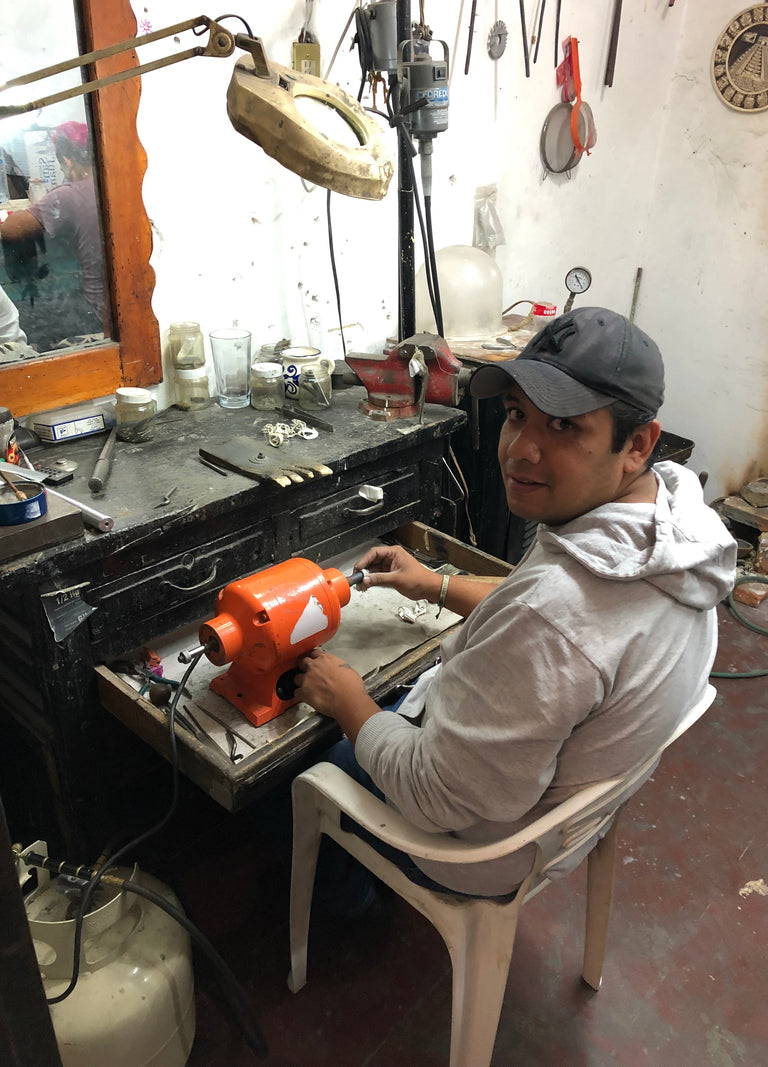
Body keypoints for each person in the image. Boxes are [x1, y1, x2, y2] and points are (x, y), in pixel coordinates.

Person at [292, 306, 737, 910]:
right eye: (516, 415)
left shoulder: (554, 616)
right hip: (562, 808)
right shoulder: (676, 528)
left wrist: (347, 697)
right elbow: (546, 619)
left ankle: (355, 898)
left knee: (297, 769)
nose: (520, 450)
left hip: (475, 847)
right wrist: (436, 586)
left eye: (563, 427)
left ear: (636, 444)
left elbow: (435, 796)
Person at [0, 120, 104, 338]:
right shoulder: (110, 185)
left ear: (67, 160)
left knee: (26, 315)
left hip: (95, 313)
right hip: (113, 308)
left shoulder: (69, 194)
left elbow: (11, 229)